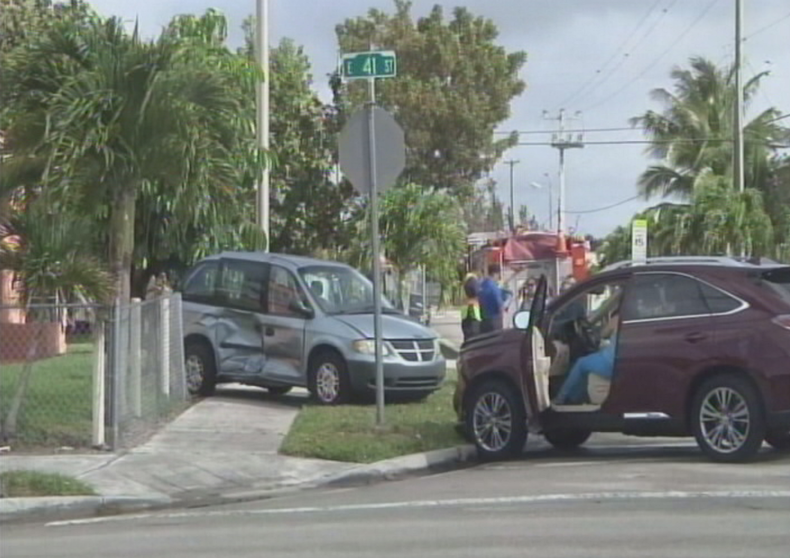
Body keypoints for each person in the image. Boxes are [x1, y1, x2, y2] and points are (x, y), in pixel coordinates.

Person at [553, 310, 620, 405]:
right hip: (619, 360)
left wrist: (605, 325)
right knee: (588, 363)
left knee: (581, 363)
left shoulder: (617, 319)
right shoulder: (629, 319)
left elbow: (603, 334)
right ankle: (576, 398)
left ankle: (560, 399)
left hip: (610, 363)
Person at [478, 264, 511, 333]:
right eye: (499, 275)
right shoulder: (494, 288)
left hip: (483, 321)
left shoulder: (481, 285)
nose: (499, 277)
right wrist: (506, 305)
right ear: (495, 274)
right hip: (494, 321)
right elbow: (500, 305)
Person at [460, 273, 481, 341]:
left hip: (465, 314)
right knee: (474, 335)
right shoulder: (473, 282)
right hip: (474, 312)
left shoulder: (463, 286)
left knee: (467, 335)